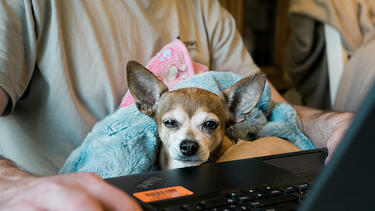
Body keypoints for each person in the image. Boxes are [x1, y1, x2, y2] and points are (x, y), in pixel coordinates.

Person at [0, 0, 353, 210]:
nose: (187, 138)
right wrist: (12, 186)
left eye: (207, 125)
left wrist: (335, 126)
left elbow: (275, 110)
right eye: (172, 125)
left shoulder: (205, 7)